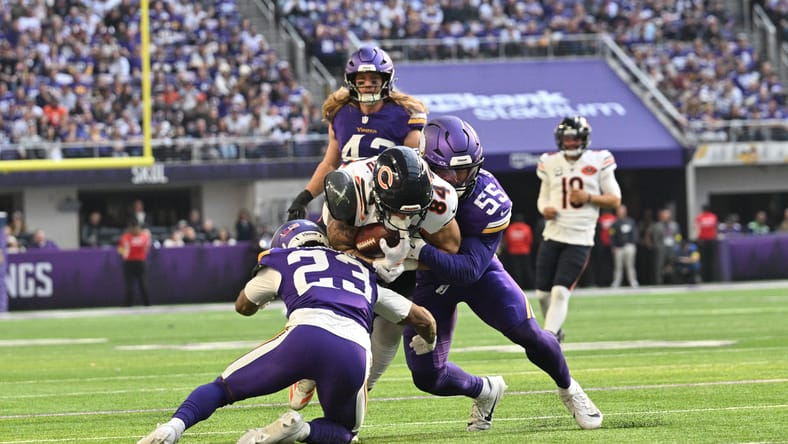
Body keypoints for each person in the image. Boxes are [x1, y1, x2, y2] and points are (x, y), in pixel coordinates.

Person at [136, 219, 437, 444]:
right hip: (354, 350)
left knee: (222, 389)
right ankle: (301, 429)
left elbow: (243, 305)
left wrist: (266, 296)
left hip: (305, 336)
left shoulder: (284, 260)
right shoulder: (361, 271)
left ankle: (172, 428)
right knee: (345, 431)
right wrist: (428, 341)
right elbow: (422, 318)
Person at [401, 116, 603, 431]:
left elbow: (467, 270)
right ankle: (485, 391)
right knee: (427, 377)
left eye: (465, 170)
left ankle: (570, 389)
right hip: (429, 285)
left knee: (531, 336)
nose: (457, 180)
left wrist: (415, 250)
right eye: (448, 171)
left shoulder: (487, 198)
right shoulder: (406, 183)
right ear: (424, 163)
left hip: (479, 274)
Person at [289, 146, 461, 412]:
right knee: (335, 318)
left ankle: (359, 392)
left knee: (390, 330)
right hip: (344, 258)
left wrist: (409, 257)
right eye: (397, 210)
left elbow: (450, 249)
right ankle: (309, 369)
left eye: (411, 213)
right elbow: (339, 245)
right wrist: (374, 262)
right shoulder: (350, 186)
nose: (403, 218)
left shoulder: (440, 198)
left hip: (400, 259)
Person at [286, 46, 428, 220]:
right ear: (352, 82)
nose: (367, 85)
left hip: (387, 203)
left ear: (386, 81)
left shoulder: (405, 115)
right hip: (345, 198)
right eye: (361, 81)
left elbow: (415, 169)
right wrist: (304, 198)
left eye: (374, 80)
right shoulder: (340, 114)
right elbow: (330, 164)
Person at [534, 116, 622, 342]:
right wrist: (545, 210)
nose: (571, 143)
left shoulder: (600, 159)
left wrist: (589, 197)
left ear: (584, 139)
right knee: (542, 294)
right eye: (567, 139)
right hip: (552, 234)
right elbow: (543, 198)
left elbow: (615, 200)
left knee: (560, 291)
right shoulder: (549, 161)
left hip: (580, 236)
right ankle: (555, 331)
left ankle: (549, 337)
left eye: (575, 139)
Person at [118, 219, 152, 306]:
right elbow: (147, 249)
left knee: (137, 284)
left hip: (134, 262)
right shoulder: (142, 237)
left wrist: (124, 253)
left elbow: (120, 250)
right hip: (135, 262)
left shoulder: (128, 237)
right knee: (136, 284)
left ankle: (136, 303)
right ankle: (140, 303)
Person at [649, 207, 681, 285]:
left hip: (672, 247)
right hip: (661, 248)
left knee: (673, 265)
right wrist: (659, 247)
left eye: (667, 215)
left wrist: (677, 244)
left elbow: (678, 236)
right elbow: (655, 239)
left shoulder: (675, 225)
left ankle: (674, 281)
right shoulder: (657, 226)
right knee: (659, 266)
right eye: (664, 215)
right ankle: (658, 282)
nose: (666, 216)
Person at [609, 204, 639, 288]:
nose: (621, 212)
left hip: (629, 246)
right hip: (618, 247)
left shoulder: (630, 221)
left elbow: (635, 233)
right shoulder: (614, 223)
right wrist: (613, 246)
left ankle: (633, 281)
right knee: (618, 266)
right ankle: (617, 282)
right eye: (619, 210)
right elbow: (611, 235)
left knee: (630, 265)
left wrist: (633, 243)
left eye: (622, 210)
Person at [503, 213, 534, 289]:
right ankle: (531, 286)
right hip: (525, 252)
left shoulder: (510, 228)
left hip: (513, 252)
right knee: (527, 270)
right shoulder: (527, 228)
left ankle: (518, 287)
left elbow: (507, 241)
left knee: (516, 270)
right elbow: (530, 240)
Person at [692, 204, 718, 282]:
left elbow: (697, 230)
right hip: (712, 241)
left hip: (702, 241)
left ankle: (704, 279)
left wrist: (694, 239)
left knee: (703, 261)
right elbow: (715, 229)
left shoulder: (699, 217)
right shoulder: (713, 216)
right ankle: (712, 278)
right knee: (711, 261)